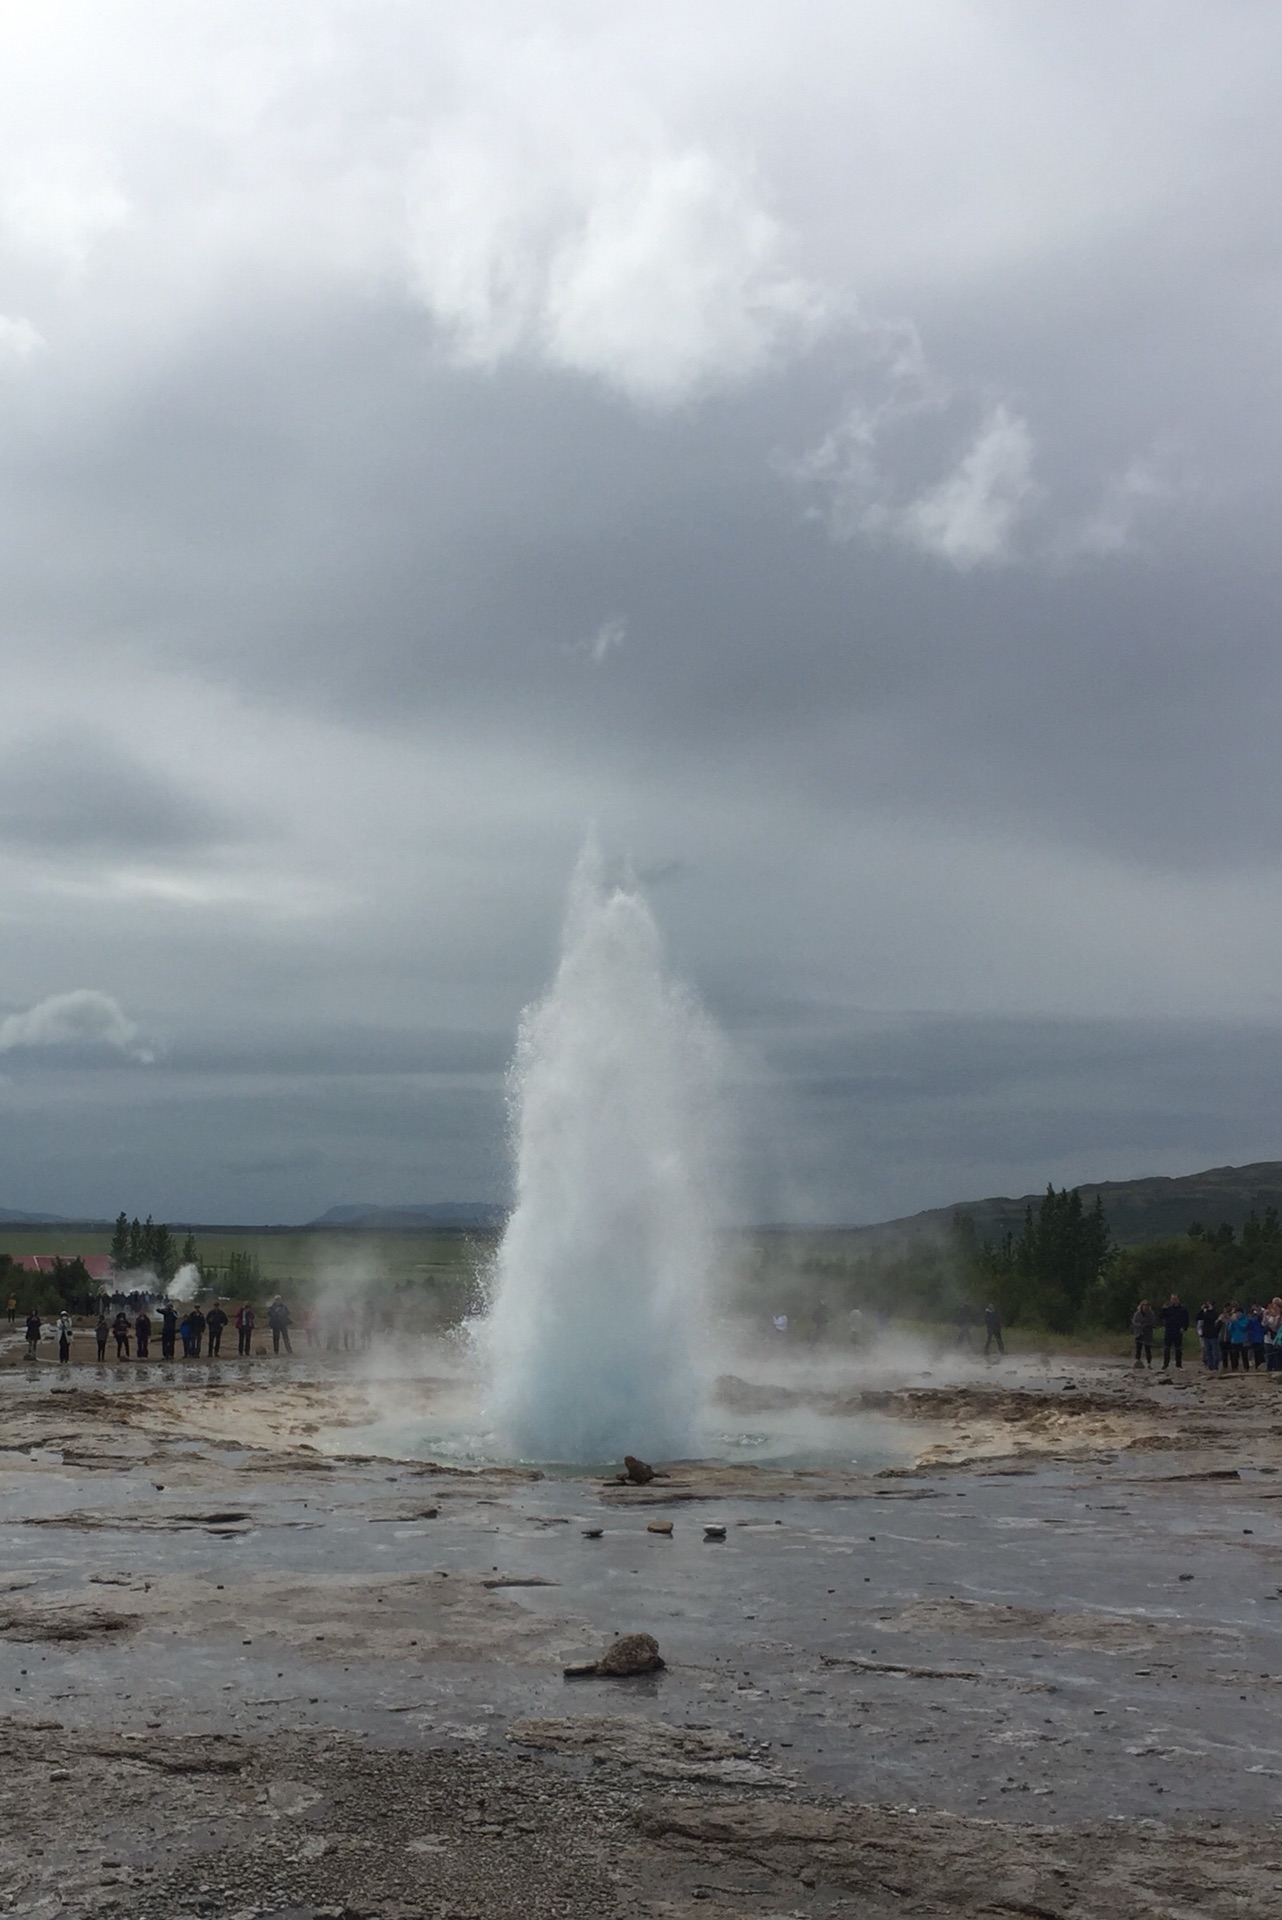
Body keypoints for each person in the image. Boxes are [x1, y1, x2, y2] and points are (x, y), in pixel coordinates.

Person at [1159, 1293, 1189, 1370]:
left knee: (1178, 1348)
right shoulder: (1168, 1308)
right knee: (1167, 1348)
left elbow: (1186, 1320)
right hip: (1169, 1330)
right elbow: (1160, 1317)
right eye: (1172, 1299)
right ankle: (1165, 1364)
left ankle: (1179, 1365)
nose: (1174, 1300)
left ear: (1178, 1300)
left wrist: (1184, 1328)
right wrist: (1163, 1309)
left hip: (1178, 1331)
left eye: (1175, 1299)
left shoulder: (1182, 1309)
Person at [1195, 1301, 1220, 1371]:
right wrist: (1202, 1310)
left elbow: (1212, 1318)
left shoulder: (1215, 1313)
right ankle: (1210, 1365)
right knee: (1208, 1351)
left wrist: (1210, 1310)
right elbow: (1198, 1317)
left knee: (1215, 1352)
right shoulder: (1204, 1313)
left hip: (1214, 1335)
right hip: (1206, 1334)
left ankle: (1215, 1365)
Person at [1131, 1299, 1156, 1369]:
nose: (1145, 1307)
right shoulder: (1137, 1314)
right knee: (1138, 1348)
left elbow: (1153, 1322)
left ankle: (1149, 1363)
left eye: (1147, 1306)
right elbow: (1134, 1322)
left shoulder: (1151, 1313)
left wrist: (1146, 1325)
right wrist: (1139, 1325)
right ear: (1141, 1306)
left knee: (1148, 1349)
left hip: (1147, 1334)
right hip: (1138, 1333)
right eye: (1144, 1306)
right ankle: (1137, 1361)